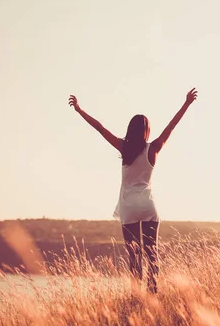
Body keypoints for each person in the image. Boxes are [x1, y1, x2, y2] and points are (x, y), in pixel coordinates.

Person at [68, 88, 198, 293]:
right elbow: (171, 127)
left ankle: (136, 296)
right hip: (147, 206)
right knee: (151, 254)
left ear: (131, 129)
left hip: (129, 208)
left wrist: (79, 110)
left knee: (134, 257)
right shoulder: (153, 148)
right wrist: (187, 103)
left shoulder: (123, 147)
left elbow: (100, 128)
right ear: (147, 131)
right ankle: (152, 294)